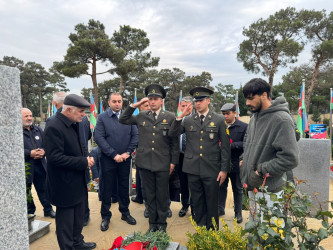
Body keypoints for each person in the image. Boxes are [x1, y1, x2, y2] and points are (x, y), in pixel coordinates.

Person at [119, 84, 179, 233]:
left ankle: (162, 225)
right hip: (145, 163)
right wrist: (136, 104)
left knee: (162, 195)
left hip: (163, 163)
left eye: (156, 99)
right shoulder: (141, 116)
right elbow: (123, 119)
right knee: (149, 195)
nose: (152, 102)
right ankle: (152, 224)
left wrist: (173, 162)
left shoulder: (170, 117)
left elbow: (175, 143)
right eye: (150, 99)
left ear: (161, 101)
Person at [169, 87, 231, 230]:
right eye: (196, 101)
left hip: (212, 168)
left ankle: (212, 231)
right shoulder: (188, 120)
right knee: (197, 201)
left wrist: (224, 169)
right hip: (192, 168)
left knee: (211, 200)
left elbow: (226, 147)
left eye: (201, 100)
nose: (198, 103)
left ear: (208, 101)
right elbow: (172, 133)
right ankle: (201, 229)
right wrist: (180, 116)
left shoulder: (219, 120)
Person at [240, 78, 299, 219]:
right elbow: (248, 142)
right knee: (257, 232)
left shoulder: (281, 120)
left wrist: (260, 171)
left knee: (272, 235)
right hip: (253, 186)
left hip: (270, 191)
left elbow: (290, 159)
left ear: (264, 95)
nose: (247, 103)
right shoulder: (255, 117)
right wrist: (243, 159)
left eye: (250, 98)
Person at [43, 94, 96, 250]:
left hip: (77, 180)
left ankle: (78, 243)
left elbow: (76, 149)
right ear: (69, 110)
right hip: (63, 184)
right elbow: (54, 158)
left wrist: (86, 158)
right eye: (80, 111)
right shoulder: (54, 126)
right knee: (66, 222)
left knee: (78, 217)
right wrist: (83, 162)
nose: (83, 115)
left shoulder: (74, 123)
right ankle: (68, 247)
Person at [94, 93, 138, 232]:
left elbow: (135, 136)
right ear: (109, 102)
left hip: (125, 159)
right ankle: (105, 216)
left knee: (124, 187)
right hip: (108, 159)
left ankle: (125, 213)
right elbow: (99, 137)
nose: (117, 104)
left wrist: (128, 153)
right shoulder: (102, 118)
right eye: (114, 101)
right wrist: (113, 154)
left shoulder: (128, 118)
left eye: (119, 101)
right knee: (107, 188)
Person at [22, 108, 55, 218]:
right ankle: (30, 212)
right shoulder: (16, 132)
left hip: (40, 164)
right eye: (26, 116)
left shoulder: (37, 129)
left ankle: (48, 209)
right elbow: (13, 151)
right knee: (26, 191)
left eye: (30, 115)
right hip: (26, 167)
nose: (29, 118)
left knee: (43, 188)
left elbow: (47, 143)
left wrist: (44, 151)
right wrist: (29, 153)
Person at [219, 103, 247, 223]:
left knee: (237, 188)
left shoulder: (244, 127)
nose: (225, 116)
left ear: (234, 113)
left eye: (228, 113)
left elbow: (246, 144)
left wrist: (230, 145)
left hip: (236, 162)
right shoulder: (220, 126)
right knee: (221, 187)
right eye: (223, 114)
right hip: (221, 163)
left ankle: (238, 213)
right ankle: (220, 209)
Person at [176, 96, 193, 217]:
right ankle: (185, 205)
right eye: (183, 105)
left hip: (193, 157)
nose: (185, 108)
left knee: (194, 183)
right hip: (180, 156)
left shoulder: (197, 119)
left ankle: (195, 207)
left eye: (187, 105)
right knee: (183, 183)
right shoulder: (176, 119)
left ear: (192, 106)